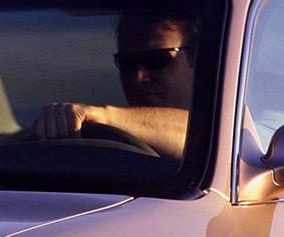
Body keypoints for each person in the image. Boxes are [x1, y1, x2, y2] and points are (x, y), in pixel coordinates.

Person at [30, 10, 196, 160]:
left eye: (156, 60)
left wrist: (101, 117)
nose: (138, 77)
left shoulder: (217, 134)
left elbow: (201, 136)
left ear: (195, 58)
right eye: (127, 63)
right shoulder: (105, 150)